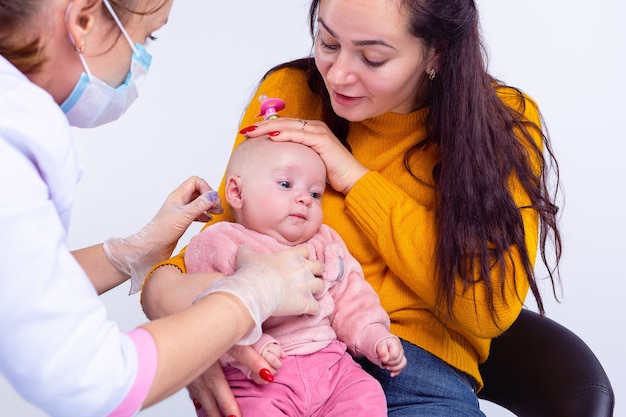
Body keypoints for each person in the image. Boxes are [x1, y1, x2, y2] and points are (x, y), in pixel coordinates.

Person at [143, 0, 563, 416]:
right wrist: (163, 297)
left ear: (437, 51)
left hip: (414, 382)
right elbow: (221, 245)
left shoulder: (499, 120)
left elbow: (487, 308)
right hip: (276, 364)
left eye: (373, 57)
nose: (339, 74)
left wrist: (354, 178)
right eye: (327, 42)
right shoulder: (292, 93)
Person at [0, 1, 325, 416]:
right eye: (147, 35)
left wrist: (130, 254)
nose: (142, 58)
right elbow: (86, 376)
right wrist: (247, 297)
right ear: (83, 20)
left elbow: (15, 290)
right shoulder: (9, 152)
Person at [184, 137, 406, 417]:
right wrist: (255, 346)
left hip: (330, 365)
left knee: (367, 393)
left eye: (315, 194)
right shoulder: (221, 241)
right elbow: (206, 312)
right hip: (257, 377)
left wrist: (373, 334)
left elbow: (351, 295)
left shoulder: (325, 242)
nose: (304, 198)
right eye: (286, 185)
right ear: (237, 192)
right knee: (249, 410)